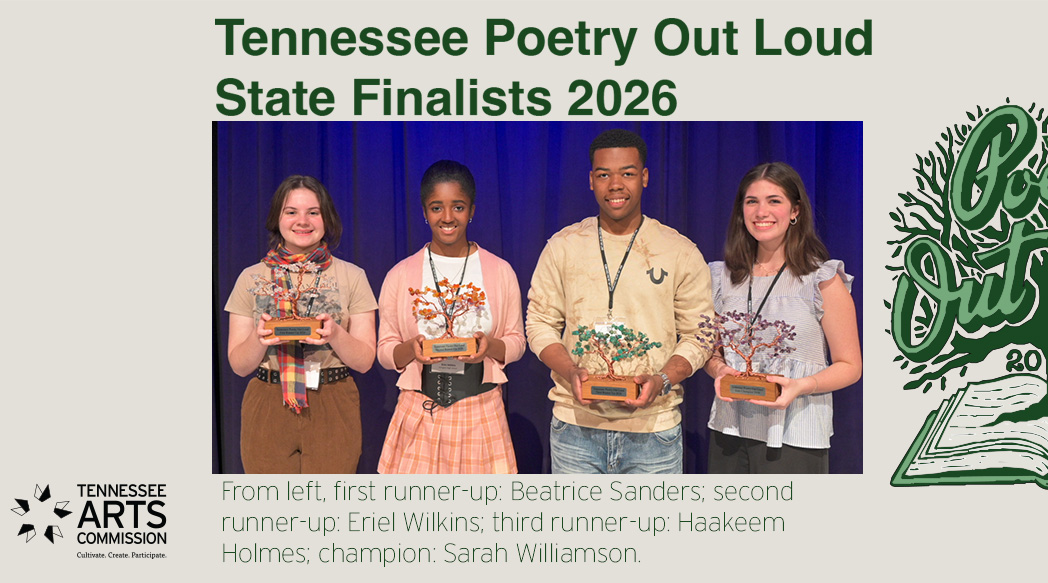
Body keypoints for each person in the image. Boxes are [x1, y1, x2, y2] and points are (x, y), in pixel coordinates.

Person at [526, 128, 713, 474]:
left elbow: (700, 335)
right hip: (575, 429)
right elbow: (539, 323)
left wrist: (662, 380)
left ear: (644, 177)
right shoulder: (563, 247)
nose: (615, 184)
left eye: (627, 173)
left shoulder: (680, 251)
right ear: (591, 180)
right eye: (604, 175)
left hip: (653, 432)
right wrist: (570, 372)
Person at [702, 162, 862, 473]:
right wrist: (719, 370)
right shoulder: (721, 277)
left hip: (796, 435)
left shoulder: (822, 279)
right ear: (741, 211)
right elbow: (710, 350)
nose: (761, 211)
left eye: (774, 201)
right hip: (728, 431)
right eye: (752, 202)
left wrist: (799, 386)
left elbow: (850, 366)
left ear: (795, 211)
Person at [376, 160, 526, 474]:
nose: (447, 218)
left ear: (472, 210)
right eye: (436, 208)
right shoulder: (400, 274)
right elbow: (385, 349)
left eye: (457, 207)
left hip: (481, 412)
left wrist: (489, 346)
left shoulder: (500, 271)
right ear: (424, 212)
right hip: (419, 412)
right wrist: (411, 350)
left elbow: (516, 342)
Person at [225, 175, 377, 473]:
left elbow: (365, 361)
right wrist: (260, 338)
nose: (302, 221)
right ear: (277, 218)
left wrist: (334, 333)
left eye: (313, 212)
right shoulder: (251, 278)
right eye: (291, 212)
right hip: (268, 402)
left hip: (332, 401)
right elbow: (239, 366)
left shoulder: (352, 276)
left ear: (326, 218)